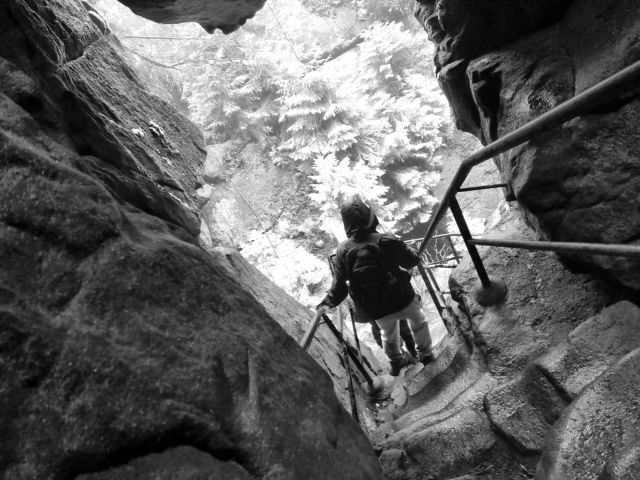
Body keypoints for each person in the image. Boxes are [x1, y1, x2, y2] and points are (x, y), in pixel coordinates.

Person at [317, 198, 434, 376]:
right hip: (402, 298)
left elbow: (339, 285)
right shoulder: (385, 240)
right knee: (419, 322)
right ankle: (425, 355)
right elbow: (411, 261)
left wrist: (326, 303)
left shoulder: (343, 251)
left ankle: (396, 362)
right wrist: (409, 248)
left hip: (375, 307)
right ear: (369, 215)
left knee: (388, 334)